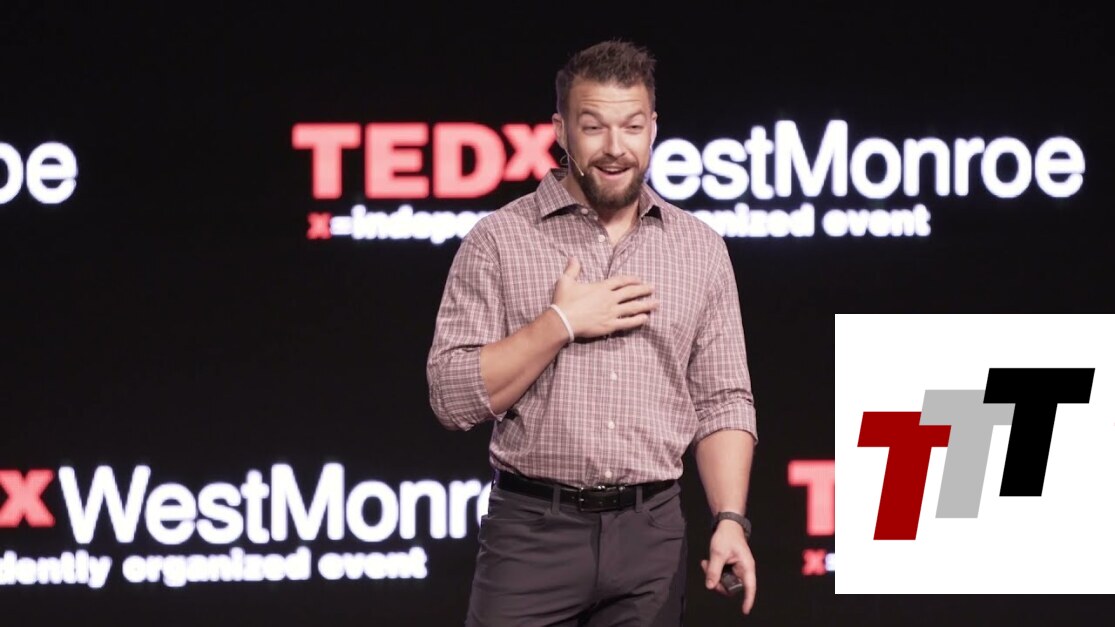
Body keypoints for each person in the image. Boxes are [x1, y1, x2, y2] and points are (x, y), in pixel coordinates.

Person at [426, 38, 758, 626]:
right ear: (561, 131)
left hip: (652, 536)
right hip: (532, 534)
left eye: (632, 126)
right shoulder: (500, 240)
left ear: (653, 129)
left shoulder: (699, 249)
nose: (614, 148)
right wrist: (558, 325)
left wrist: (730, 518)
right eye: (593, 127)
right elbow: (451, 396)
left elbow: (723, 400)